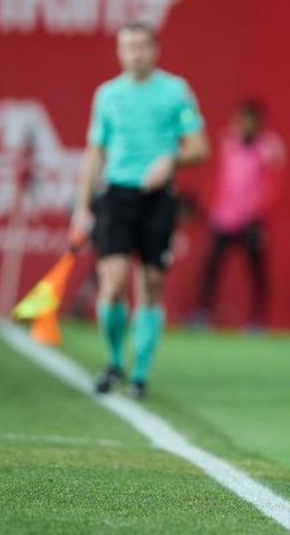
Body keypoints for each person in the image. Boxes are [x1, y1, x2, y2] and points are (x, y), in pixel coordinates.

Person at [70, 22, 209, 400]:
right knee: (113, 283)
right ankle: (115, 361)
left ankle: (141, 374)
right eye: (127, 47)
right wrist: (81, 207)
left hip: (158, 199)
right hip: (116, 196)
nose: (134, 53)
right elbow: (95, 151)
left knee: (150, 284)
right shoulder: (108, 95)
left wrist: (171, 159)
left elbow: (199, 145)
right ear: (119, 52)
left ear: (155, 50)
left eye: (141, 46)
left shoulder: (175, 92)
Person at [191, 99, 284, 330]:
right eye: (240, 119)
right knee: (211, 267)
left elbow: (274, 183)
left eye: (249, 120)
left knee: (256, 271)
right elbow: (219, 176)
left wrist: (260, 213)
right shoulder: (228, 140)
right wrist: (209, 204)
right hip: (223, 217)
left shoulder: (270, 146)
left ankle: (257, 319)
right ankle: (202, 313)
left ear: (258, 122)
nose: (244, 124)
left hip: (252, 220)